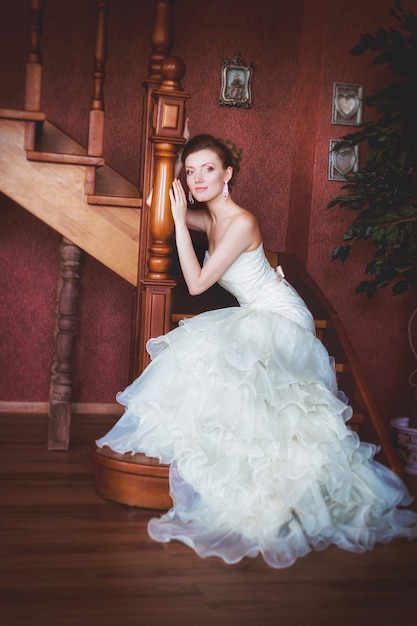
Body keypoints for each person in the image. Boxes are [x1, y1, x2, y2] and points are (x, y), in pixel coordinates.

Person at [96, 133, 417, 569]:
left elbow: (195, 284)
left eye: (209, 169)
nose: (197, 178)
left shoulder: (241, 221)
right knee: (214, 366)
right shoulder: (210, 220)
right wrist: (176, 160)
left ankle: (282, 489)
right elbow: (158, 195)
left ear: (228, 175)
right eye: (191, 172)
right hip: (258, 311)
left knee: (234, 373)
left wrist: (176, 221)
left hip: (281, 316)